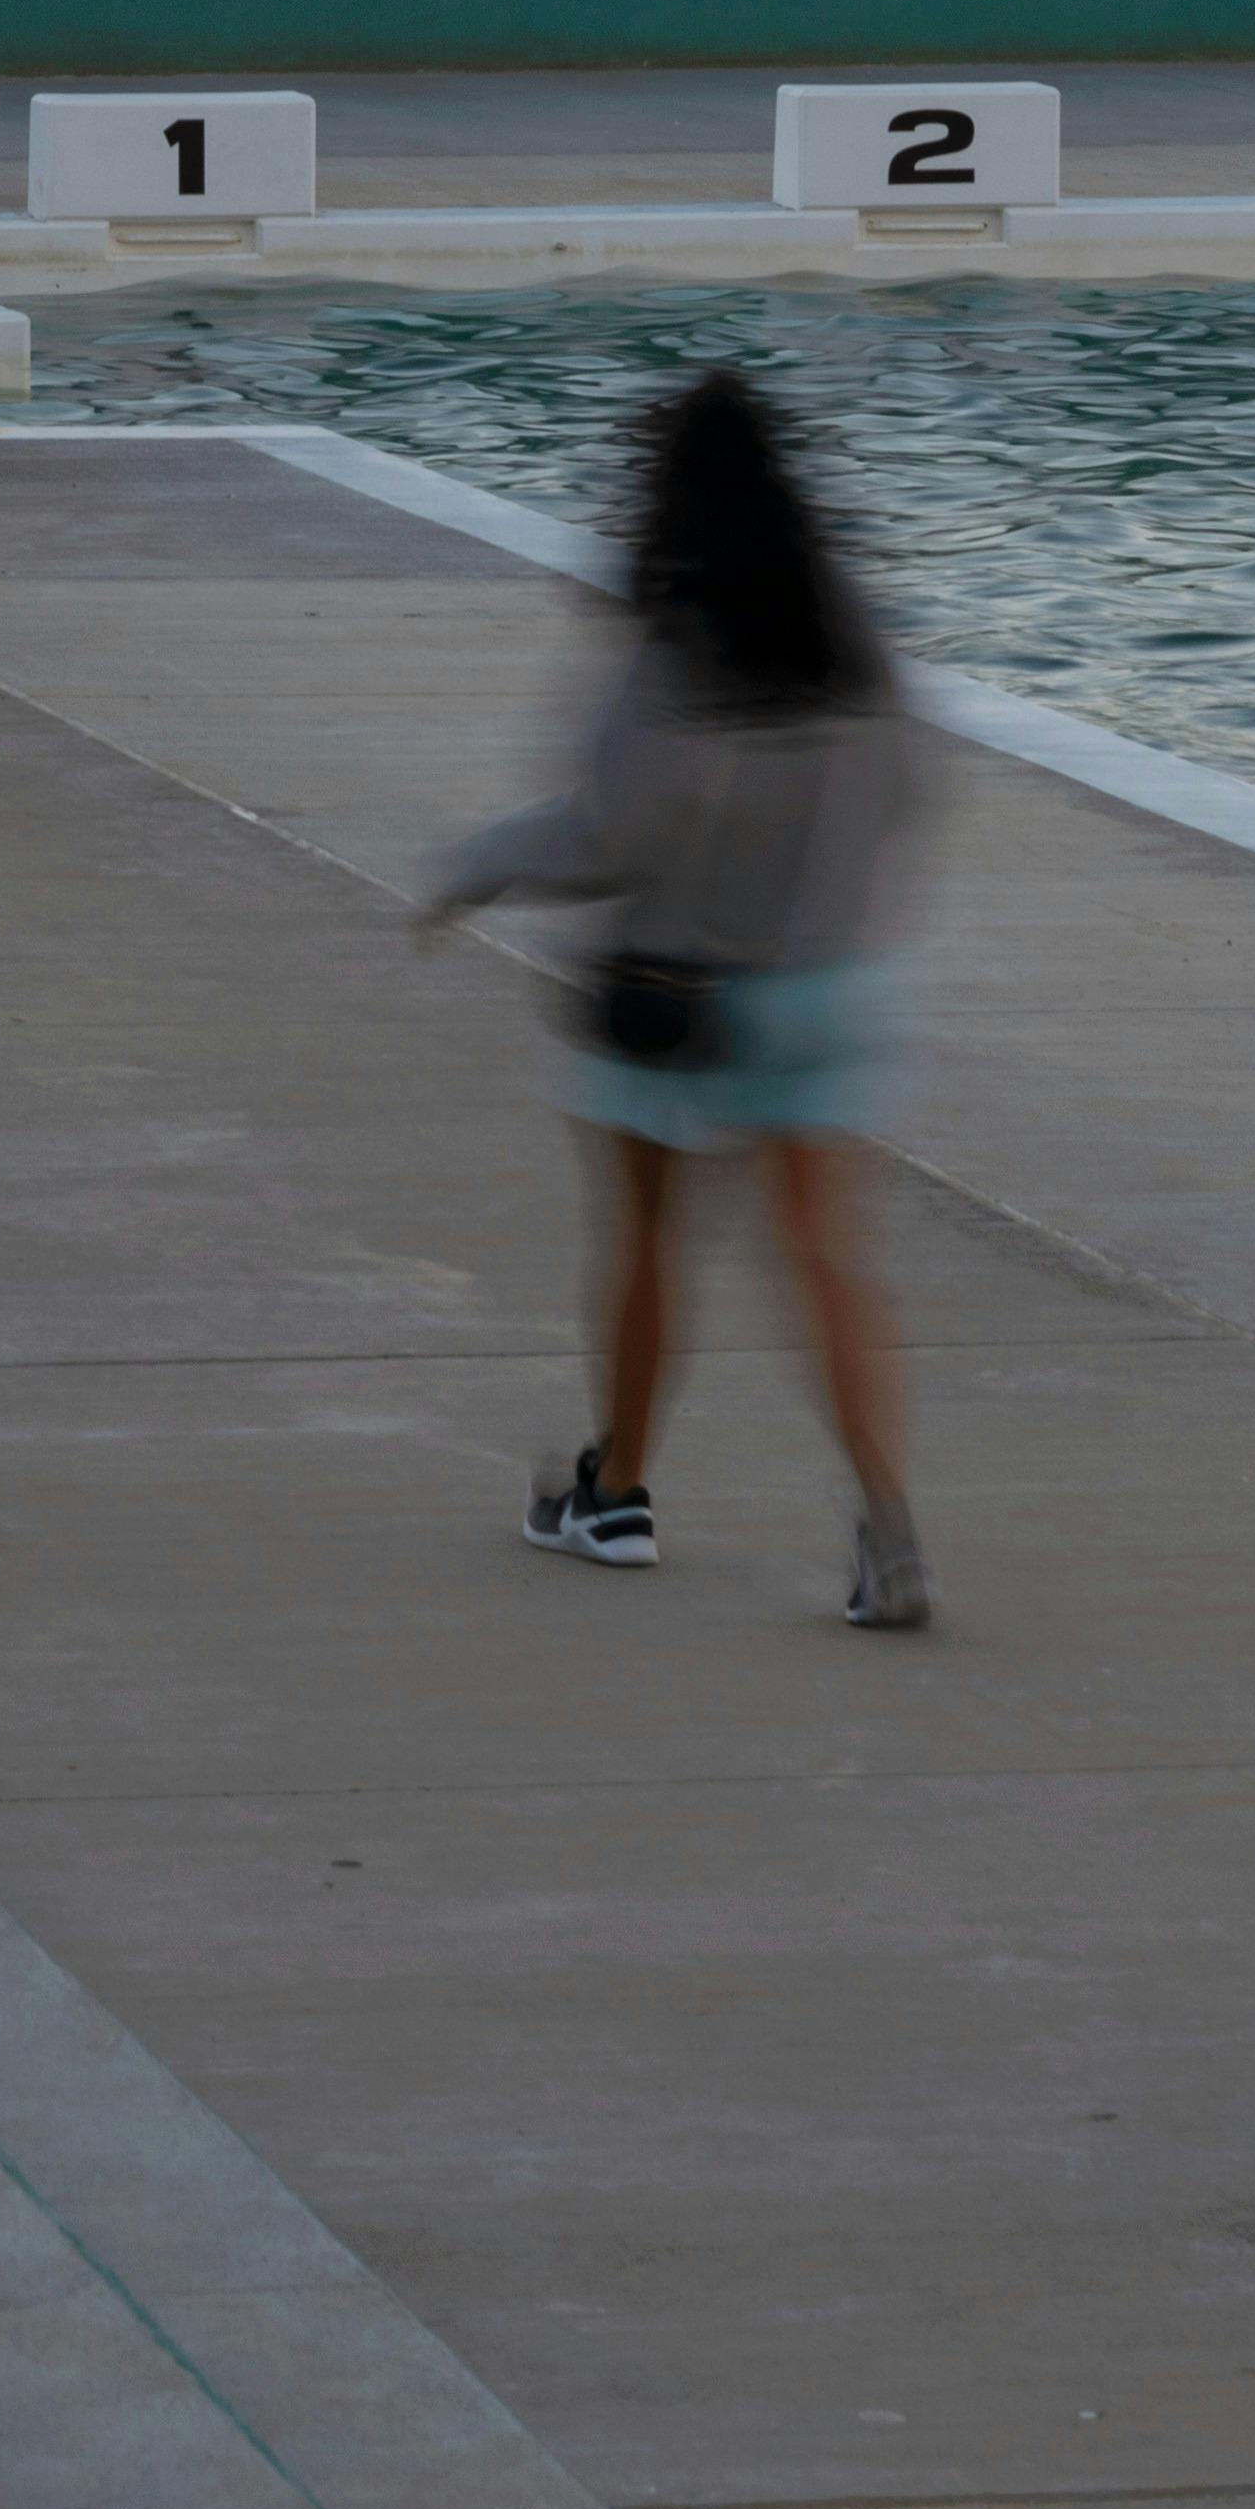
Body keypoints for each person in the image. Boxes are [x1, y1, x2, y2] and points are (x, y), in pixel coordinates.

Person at [415, 369, 943, 1631]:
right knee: (824, 1254)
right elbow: (909, 789)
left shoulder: (671, 643)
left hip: (677, 996)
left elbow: (609, 831)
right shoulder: (850, 629)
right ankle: (887, 1528)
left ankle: (615, 1495)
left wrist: (478, 865)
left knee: (649, 1239)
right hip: (822, 990)